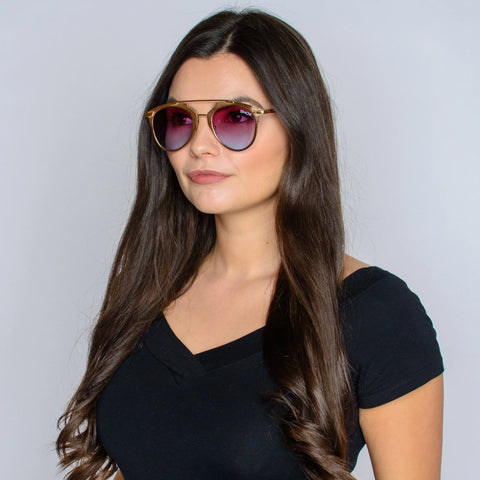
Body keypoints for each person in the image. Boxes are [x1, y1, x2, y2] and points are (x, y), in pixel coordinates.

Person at [56, 9, 444, 480]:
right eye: (180, 120)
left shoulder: (375, 314)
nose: (199, 145)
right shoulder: (148, 291)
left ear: (298, 128)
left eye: (235, 119)